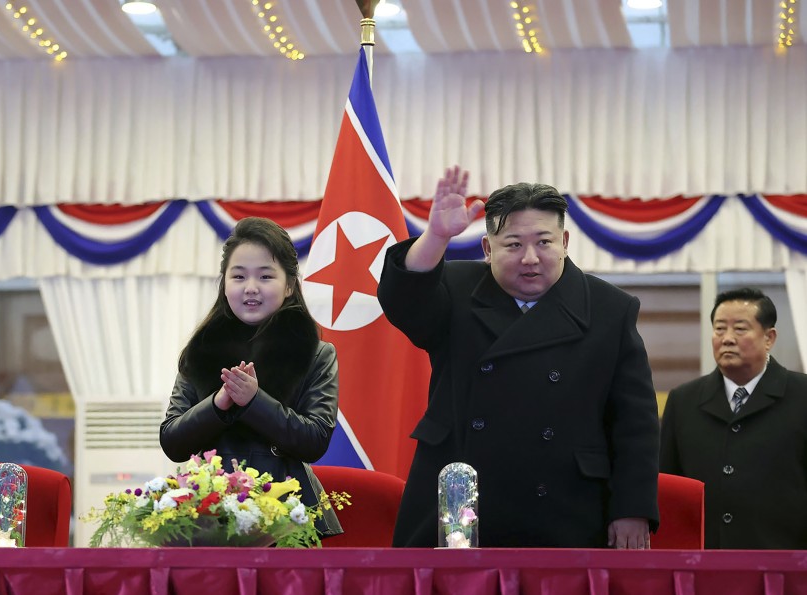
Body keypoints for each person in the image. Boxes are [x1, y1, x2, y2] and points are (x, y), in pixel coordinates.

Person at [378, 166, 659, 549]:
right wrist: (437, 236)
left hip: (566, 502)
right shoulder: (455, 290)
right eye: (513, 245)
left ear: (565, 241)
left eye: (544, 242)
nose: (530, 258)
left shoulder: (610, 308)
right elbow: (403, 301)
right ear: (487, 248)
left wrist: (632, 508)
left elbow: (635, 422)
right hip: (461, 501)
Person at [160, 217, 342, 538]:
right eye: (239, 276)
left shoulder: (317, 353)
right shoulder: (199, 351)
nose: (251, 287)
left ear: (288, 286)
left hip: (288, 513)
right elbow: (172, 441)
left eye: (266, 276)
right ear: (225, 283)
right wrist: (218, 404)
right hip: (208, 511)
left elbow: (315, 440)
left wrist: (254, 401)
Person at [660, 288, 807, 549]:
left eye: (740, 329)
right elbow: (668, 485)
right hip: (703, 560)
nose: (727, 339)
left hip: (787, 561)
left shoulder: (801, 395)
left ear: (769, 337)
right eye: (719, 329)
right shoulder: (684, 400)